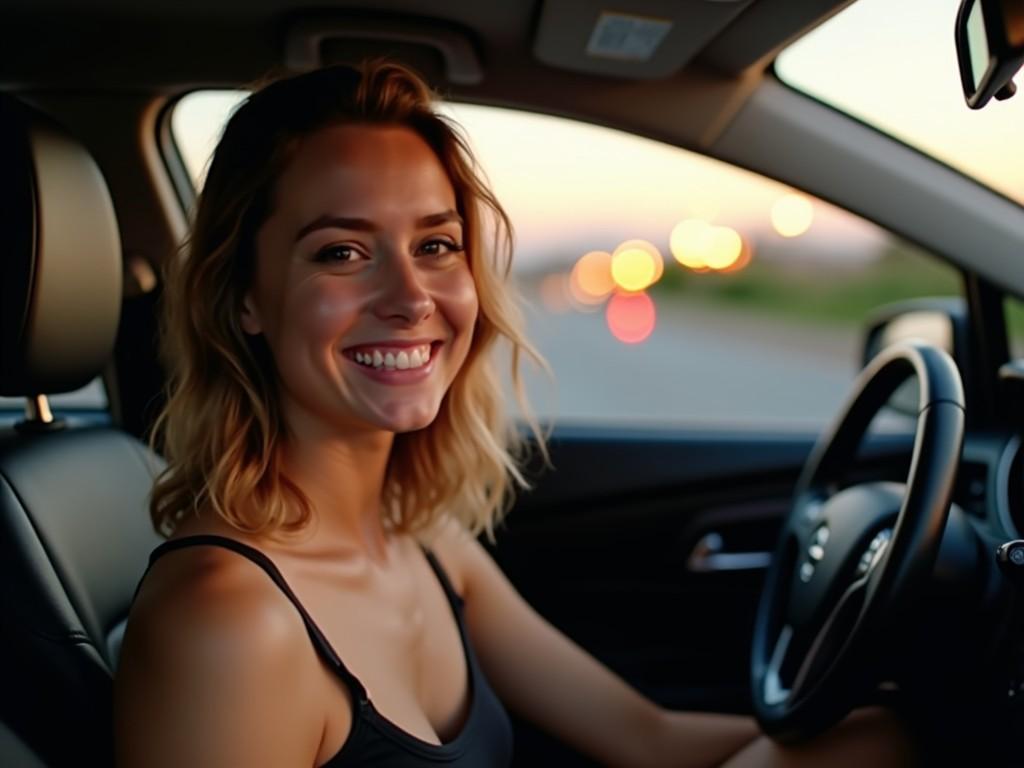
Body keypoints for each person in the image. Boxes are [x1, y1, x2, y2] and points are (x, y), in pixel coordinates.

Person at [113, 60, 916, 767]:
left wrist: (895, 730)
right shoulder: (225, 622)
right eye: (342, 252)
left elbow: (647, 740)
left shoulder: (423, 540)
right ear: (246, 297)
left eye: (436, 245)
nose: (410, 298)